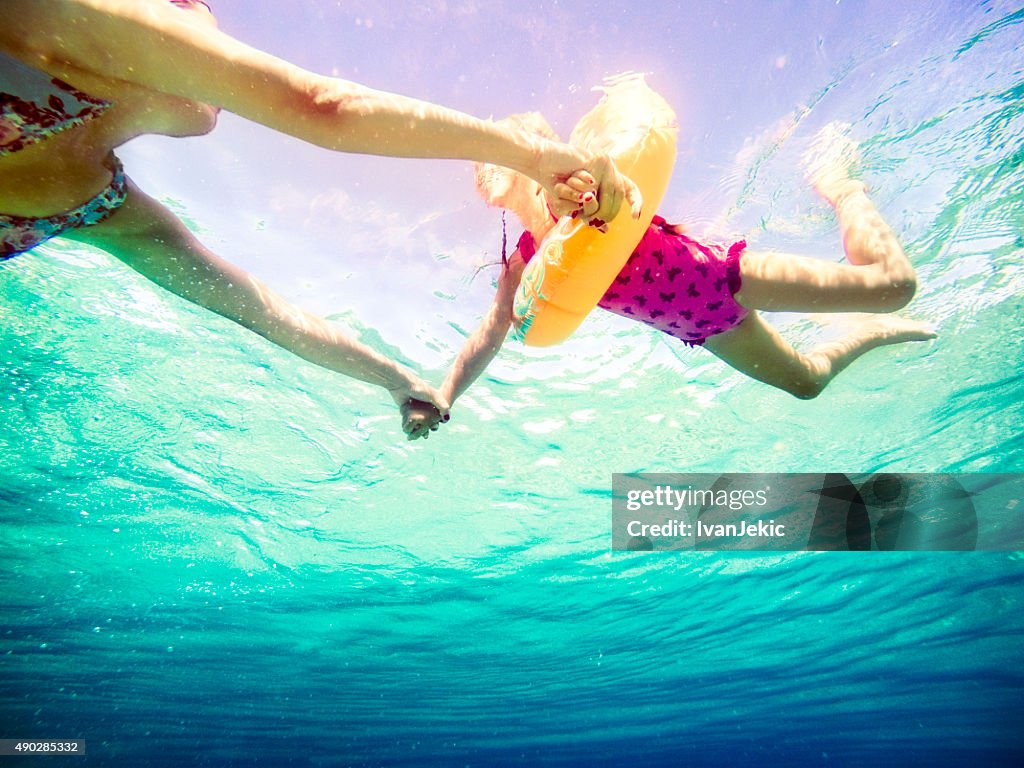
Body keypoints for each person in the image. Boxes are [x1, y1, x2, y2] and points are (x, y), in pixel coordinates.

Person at [0, 0, 640, 418]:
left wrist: (394, 378)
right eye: (207, 23)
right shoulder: (43, 17)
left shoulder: (98, 207)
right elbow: (322, 107)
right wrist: (534, 156)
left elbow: (263, 313)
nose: (227, 64)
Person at [401, 116, 936, 440]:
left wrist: (590, 188)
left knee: (894, 285)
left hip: (723, 278)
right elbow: (491, 331)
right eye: (484, 166)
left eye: (500, 153)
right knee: (807, 383)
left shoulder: (584, 188)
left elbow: (623, 177)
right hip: (701, 326)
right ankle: (868, 332)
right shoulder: (523, 259)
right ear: (485, 191)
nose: (489, 169)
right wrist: (444, 393)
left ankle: (841, 186)